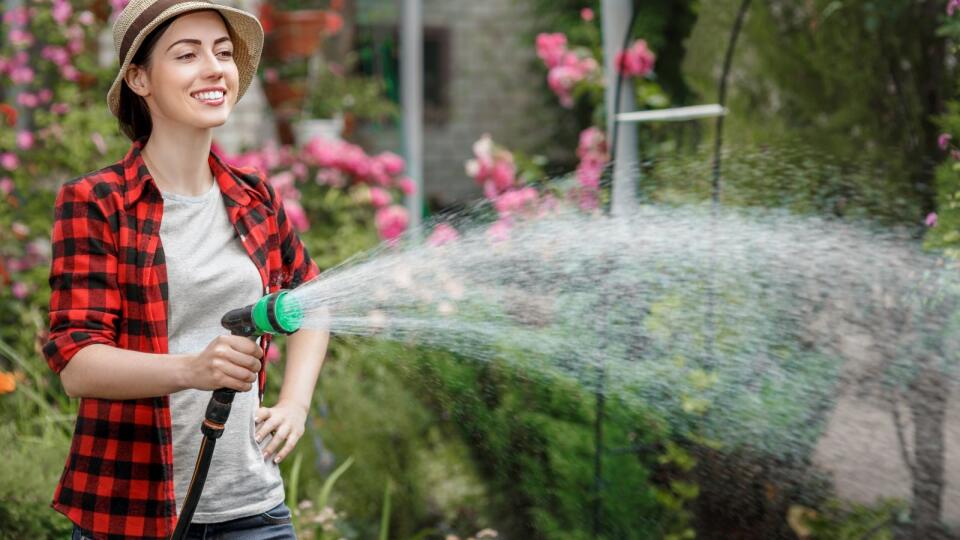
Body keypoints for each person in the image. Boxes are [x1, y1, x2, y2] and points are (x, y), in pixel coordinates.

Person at [42, 1, 329, 538]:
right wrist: (193, 370)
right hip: (131, 514)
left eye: (223, 53)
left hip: (255, 510)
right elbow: (78, 363)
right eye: (186, 54)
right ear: (139, 78)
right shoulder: (98, 201)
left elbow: (312, 295)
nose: (214, 67)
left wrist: (294, 403)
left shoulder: (253, 196)